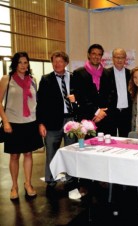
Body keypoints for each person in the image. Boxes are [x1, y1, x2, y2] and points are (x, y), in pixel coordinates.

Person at [0, 52, 43, 200]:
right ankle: (14, 186)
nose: (23, 65)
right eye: (20, 62)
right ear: (15, 64)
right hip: (13, 124)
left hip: (30, 123)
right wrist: (5, 121)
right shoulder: (7, 79)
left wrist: (39, 123)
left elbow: (36, 103)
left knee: (29, 154)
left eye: (26, 62)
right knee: (14, 156)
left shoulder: (33, 80)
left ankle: (28, 184)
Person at [37, 51, 76, 188]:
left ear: (66, 63)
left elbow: (80, 97)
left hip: (71, 121)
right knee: (51, 152)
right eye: (54, 61)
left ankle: (71, 176)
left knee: (71, 150)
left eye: (60, 61)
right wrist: (41, 123)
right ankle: (51, 178)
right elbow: (40, 103)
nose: (57, 64)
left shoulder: (73, 77)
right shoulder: (45, 79)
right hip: (52, 122)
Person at [98, 48, 132, 137]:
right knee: (110, 139)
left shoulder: (131, 74)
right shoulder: (105, 73)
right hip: (111, 112)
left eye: (122, 57)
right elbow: (102, 94)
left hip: (126, 112)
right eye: (117, 57)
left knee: (125, 139)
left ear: (125, 59)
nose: (119, 60)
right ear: (113, 58)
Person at [72, 44, 107, 127]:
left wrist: (102, 113)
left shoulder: (106, 73)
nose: (96, 56)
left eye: (99, 54)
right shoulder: (79, 73)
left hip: (104, 117)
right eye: (94, 53)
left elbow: (109, 94)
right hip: (86, 117)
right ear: (89, 55)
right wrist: (96, 111)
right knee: (87, 140)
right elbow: (79, 96)